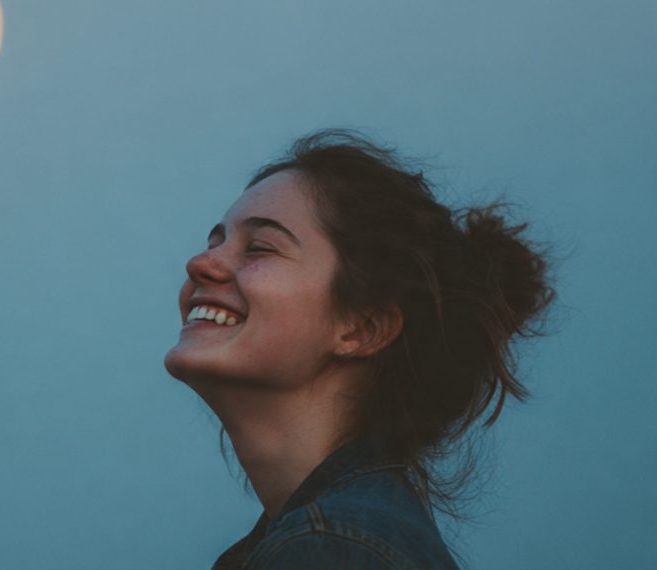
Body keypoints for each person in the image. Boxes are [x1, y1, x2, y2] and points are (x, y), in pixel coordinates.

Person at [163, 129, 557, 569]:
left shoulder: (331, 549)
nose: (200, 262)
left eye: (259, 247)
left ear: (362, 329)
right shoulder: (332, 540)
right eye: (215, 242)